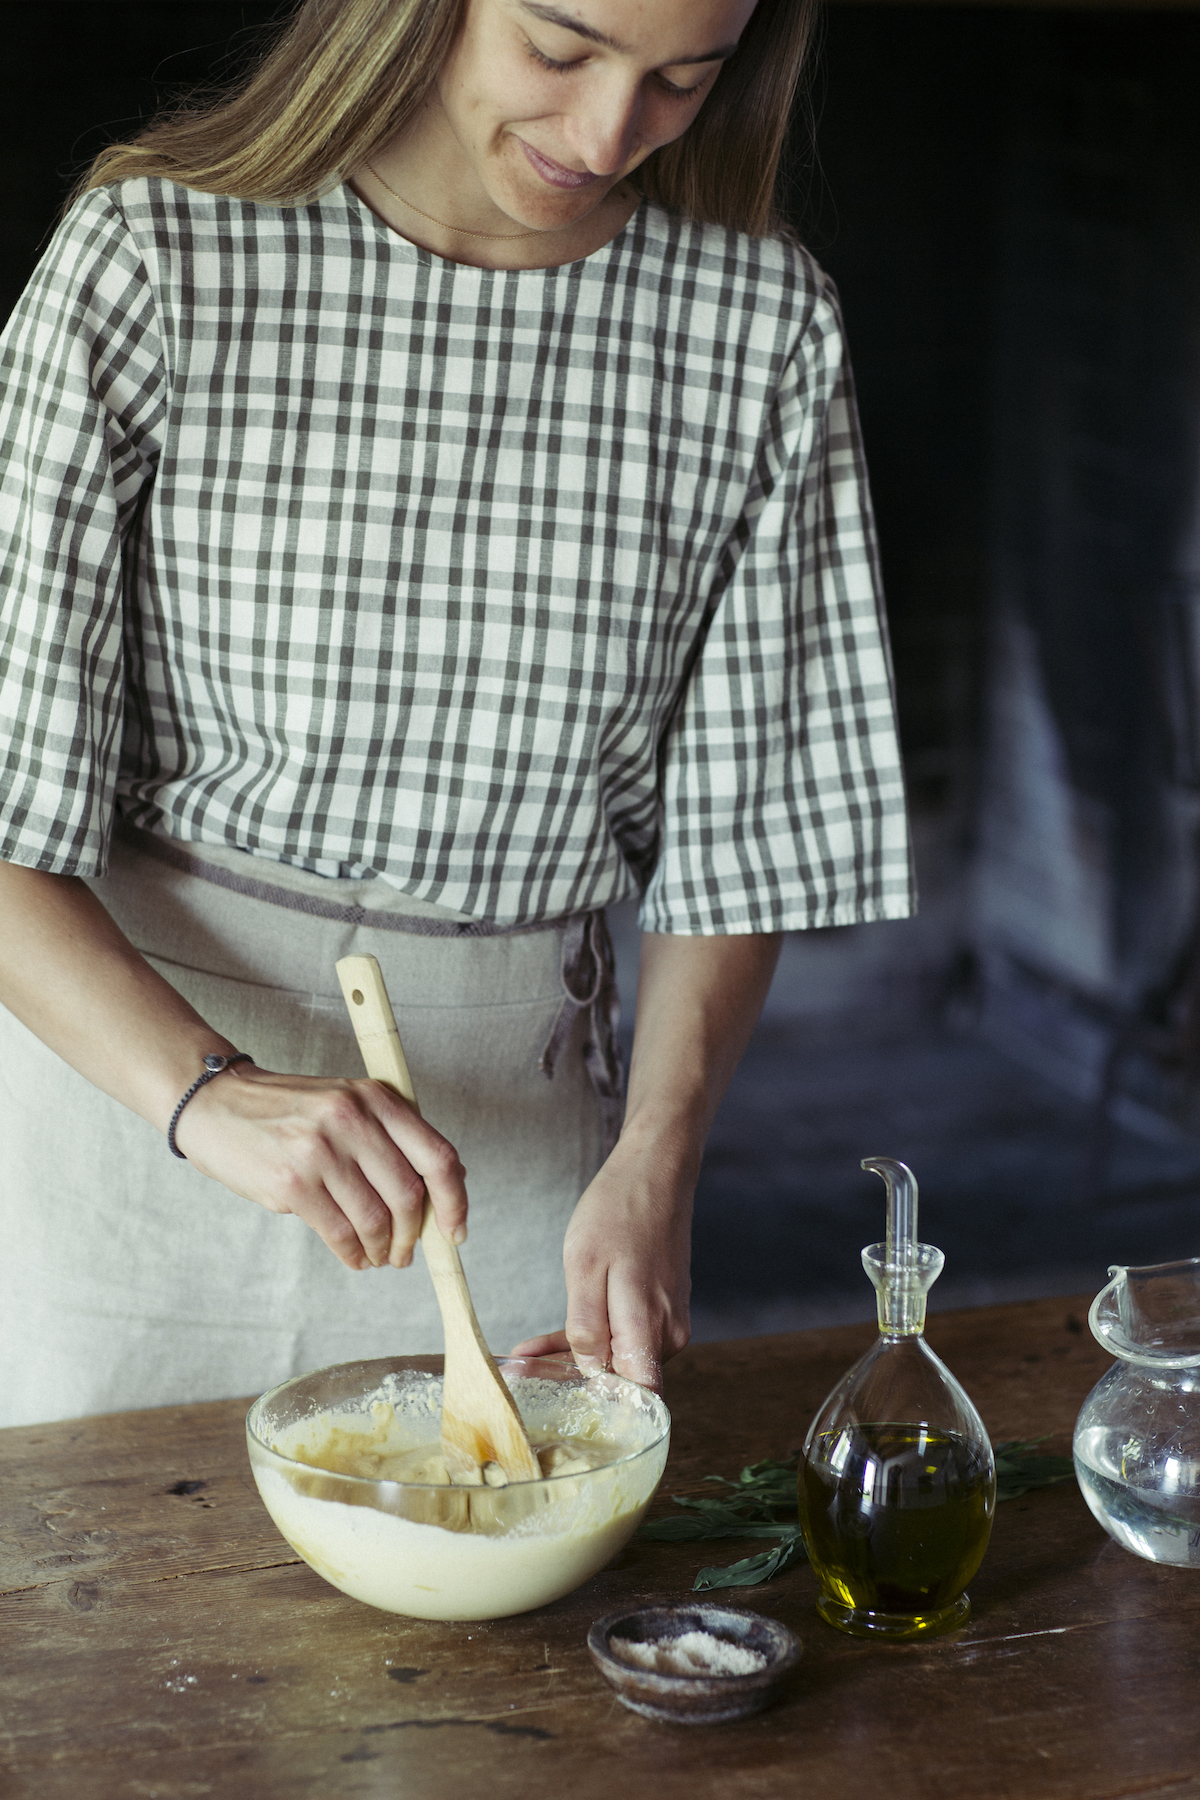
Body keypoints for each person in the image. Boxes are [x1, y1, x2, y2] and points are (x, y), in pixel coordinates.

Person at [0, 0, 913, 1429]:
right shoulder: (158, 256)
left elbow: (749, 843)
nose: (607, 133)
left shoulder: (760, 327)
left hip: (517, 1178)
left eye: (683, 79)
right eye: (560, 49)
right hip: (129, 1138)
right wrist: (209, 1095)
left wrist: (659, 1159)